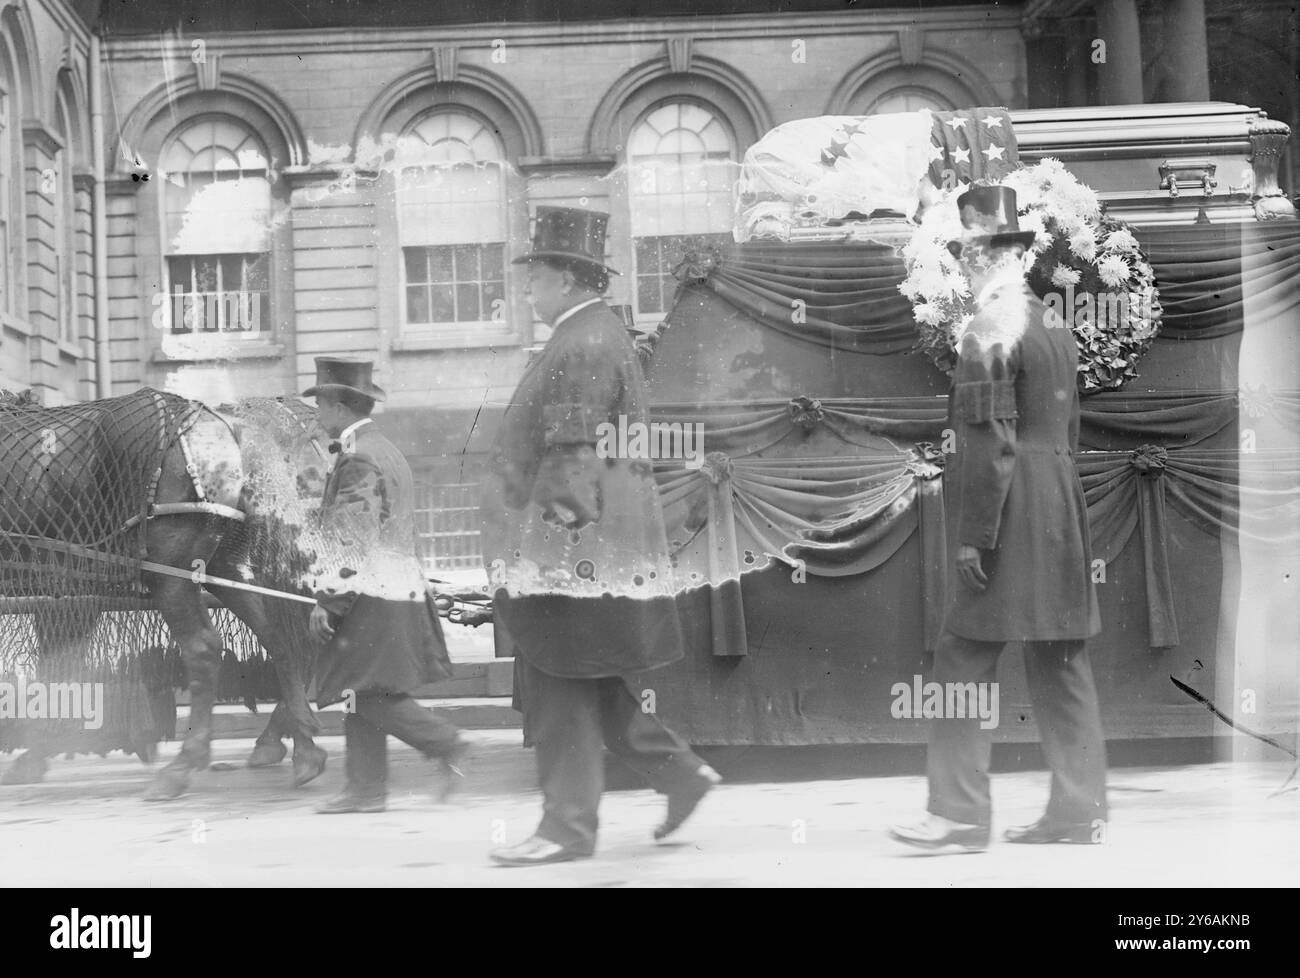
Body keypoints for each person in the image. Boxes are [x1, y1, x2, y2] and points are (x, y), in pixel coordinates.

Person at [481, 206, 719, 866]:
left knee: (558, 690)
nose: (527, 290)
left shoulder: (580, 342)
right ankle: (682, 775)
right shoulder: (595, 333)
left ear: (565, 279)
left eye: (535, 276)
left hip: (573, 558)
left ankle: (566, 828)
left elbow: (571, 455)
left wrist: (551, 562)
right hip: (600, 553)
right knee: (590, 682)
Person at [890, 186, 1108, 852]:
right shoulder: (1053, 322)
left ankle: (957, 815)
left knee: (961, 661)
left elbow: (990, 442)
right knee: (1060, 660)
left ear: (982, 255)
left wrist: (975, 536)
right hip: (1057, 505)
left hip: (1008, 510)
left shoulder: (988, 328)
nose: (964, 264)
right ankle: (1080, 813)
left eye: (968, 251)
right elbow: (1064, 427)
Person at [302, 357, 468, 814]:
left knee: (368, 692)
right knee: (363, 689)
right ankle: (366, 790)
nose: (317, 415)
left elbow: (352, 536)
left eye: (320, 404)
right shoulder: (384, 449)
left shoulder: (359, 459)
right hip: (393, 592)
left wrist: (329, 601)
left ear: (338, 407)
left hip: (371, 599)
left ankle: (446, 743)